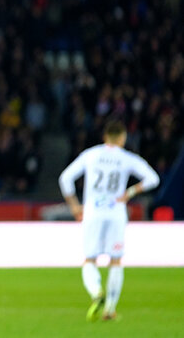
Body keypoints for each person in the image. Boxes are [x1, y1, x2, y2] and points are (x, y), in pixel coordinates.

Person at [58, 120, 160, 322]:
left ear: (105, 136)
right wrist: (130, 192)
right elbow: (153, 179)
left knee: (89, 259)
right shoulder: (127, 158)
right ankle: (110, 310)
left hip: (93, 212)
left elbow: (65, 178)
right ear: (122, 138)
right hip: (116, 213)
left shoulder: (90, 155)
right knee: (115, 260)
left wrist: (74, 206)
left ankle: (96, 292)